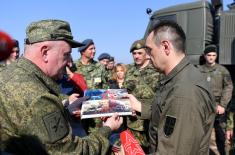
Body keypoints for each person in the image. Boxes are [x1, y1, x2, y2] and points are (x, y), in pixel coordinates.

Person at [0, 19, 123, 155]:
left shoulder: (7, 74)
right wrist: (108, 128)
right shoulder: (40, 99)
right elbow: (72, 152)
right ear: (45, 52)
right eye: (66, 54)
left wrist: (64, 110)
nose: (68, 62)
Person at [127, 20, 215, 154]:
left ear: (166, 47)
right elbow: (165, 112)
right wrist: (140, 107)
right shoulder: (179, 78)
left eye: (149, 50)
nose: (148, 57)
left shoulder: (184, 92)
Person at [123, 39, 162, 153]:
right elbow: (125, 92)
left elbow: (162, 98)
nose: (136, 56)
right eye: (134, 53)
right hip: (132, 123)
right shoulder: (129, 71)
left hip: (150, 123)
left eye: (140, 53)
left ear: (147, 53)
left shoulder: (157, 70)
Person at [198, 44, 233, 155]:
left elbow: (228, 87)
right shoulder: (198, 70)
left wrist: (222, 105)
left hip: (218, 107)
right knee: (201, 136)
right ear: (204, 56)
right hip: (202, 107)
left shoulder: (223, 71)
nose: (211, 57)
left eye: (214, 55)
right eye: (209, 55)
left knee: (221, 137)